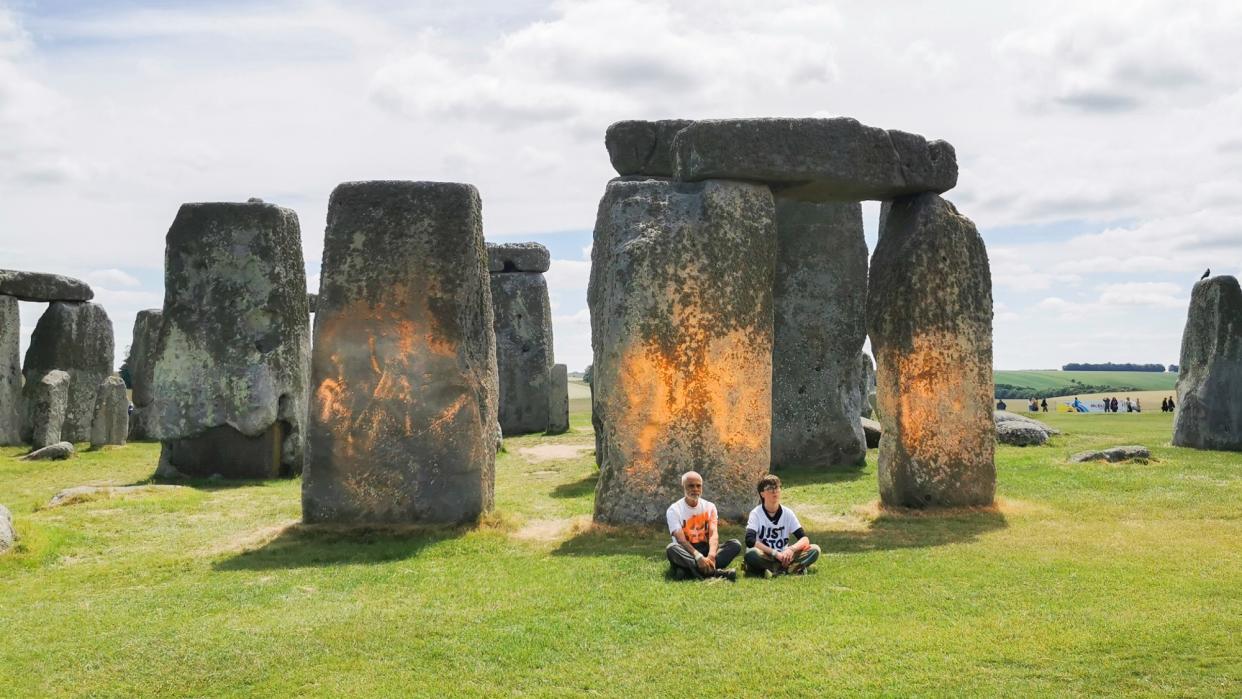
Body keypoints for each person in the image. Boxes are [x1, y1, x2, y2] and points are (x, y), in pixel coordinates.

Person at [665, 470, 740, 581]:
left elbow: (713, 534)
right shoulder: (674, 510)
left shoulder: (710, 507)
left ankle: (687, 570)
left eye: (698, 486)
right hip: (686, 551)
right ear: (683, 487)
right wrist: (698, 557)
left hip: (705, 548)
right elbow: (680, 540)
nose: (695, 489)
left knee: (735, 544)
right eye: (691, 486)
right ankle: (716, 573)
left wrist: (711, 555)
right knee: (671, 548)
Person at [743, 474, 821, 577]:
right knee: (751, 553)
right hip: (766, 555)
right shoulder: (756, 513)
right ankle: (791, 568)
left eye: (777, 487)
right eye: (770, 488)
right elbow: (750, 540)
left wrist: (791, 550)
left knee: (815, 549)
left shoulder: (787, 513)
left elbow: (804, 539)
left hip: (785, 556)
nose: (774, 491)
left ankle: (775, 570)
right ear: (762, 494)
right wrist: (775, 554)